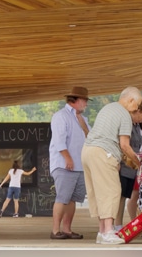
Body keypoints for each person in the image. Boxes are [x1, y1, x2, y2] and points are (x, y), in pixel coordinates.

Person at [81, 86, 142, 245]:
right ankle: (108, 231)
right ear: (131, 100)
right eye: (137, 104)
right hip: (103, 152)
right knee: (111, 190)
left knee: (99, 192)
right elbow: (125, 145)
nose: (136, 109)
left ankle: (102, 231)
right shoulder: (124, 115)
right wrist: (138, 161)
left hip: (87, 151)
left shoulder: (108, 108)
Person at [49, 86, 92, 240]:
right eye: (85, 100)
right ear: (76, 100)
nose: (86, 104)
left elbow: (91, 137)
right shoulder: (61, 116)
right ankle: (55, 230)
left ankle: (67, 229)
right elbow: (59, 140)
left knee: (73, 198)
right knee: (62, 197)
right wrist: (68, 158)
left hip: (79, 165)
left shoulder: (83, 119)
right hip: (64, 164)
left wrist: (83, 125)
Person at [114, 99, 142, 230]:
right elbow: (123, 145)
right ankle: (116, 225)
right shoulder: (127, 123)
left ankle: (117, 224)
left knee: (124, 196)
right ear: (138, 111)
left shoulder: (135, 125)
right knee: (119, 197)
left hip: (131, 167)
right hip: (123, 165)